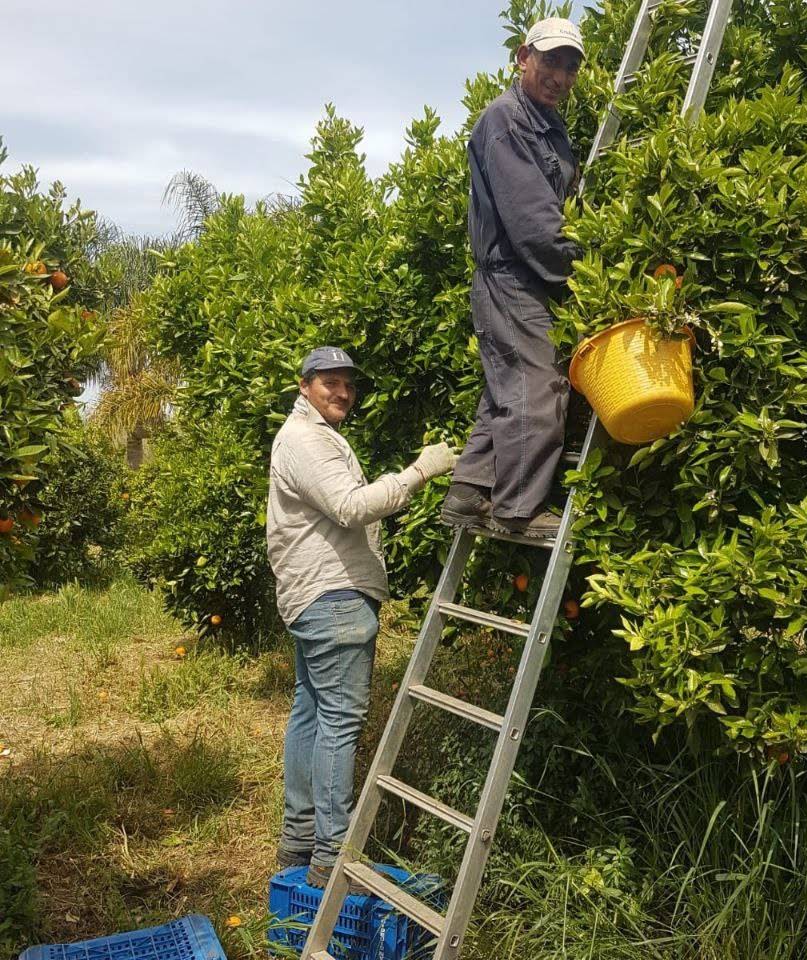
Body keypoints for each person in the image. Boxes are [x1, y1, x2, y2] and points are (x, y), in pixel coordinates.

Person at [267, 346, 456, 888]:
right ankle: (330, 855)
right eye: (330, 382)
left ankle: (298, 843)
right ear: (304, 386)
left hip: (319, 598)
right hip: (334, 599)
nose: (343, 392)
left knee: (311, 713)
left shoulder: (311, 437)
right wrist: (420, 471)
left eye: (348, 383)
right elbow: (351, 506)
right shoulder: (305, 440)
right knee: (339, 721)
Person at [442, 16, 585, 539]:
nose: (560, 76)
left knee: (508, 389)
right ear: (523, 56)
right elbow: (534, 225)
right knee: (538, 388)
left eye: (570, 68)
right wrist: (586, 272)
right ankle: (518, 511)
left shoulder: (547, 124)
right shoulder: (505, 120)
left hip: (522, 280)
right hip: (514, 277)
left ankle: (469, 491)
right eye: (551, 61)